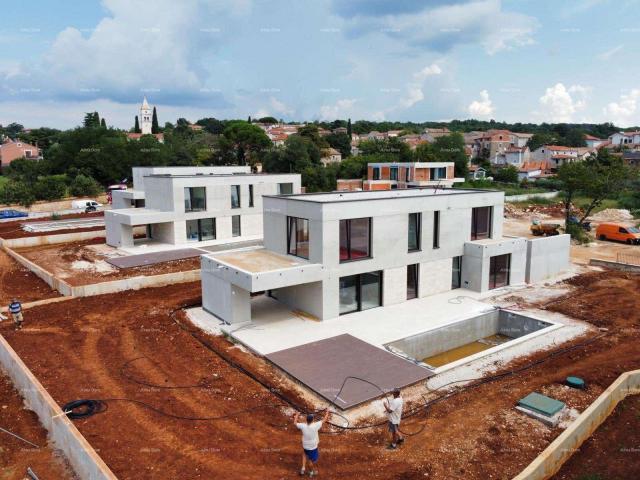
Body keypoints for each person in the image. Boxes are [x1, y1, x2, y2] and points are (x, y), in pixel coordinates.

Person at [294, 409, 330, 477]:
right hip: (313, 447)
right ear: (312, 420)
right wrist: (327, 413)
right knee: (310, 460)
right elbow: (324, 420)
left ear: (306, 420)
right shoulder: (315, 425)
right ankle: (311, 472)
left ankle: (303, 469)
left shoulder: (303, 426)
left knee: (304, 453)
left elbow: (295, 423)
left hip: (305, 445)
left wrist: (297, 415)